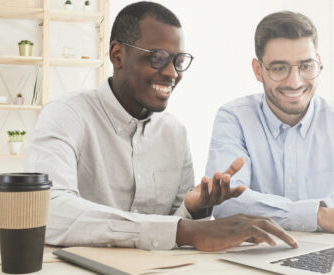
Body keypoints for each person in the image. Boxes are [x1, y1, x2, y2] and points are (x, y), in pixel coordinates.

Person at [24, 1, 297, 252]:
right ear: (117, 55)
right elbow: (46, 210)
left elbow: (171, 229)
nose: (172, 73)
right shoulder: (66, 115)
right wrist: (187, 230)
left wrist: (194, 208)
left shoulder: (174, 133)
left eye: (178, 61)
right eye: (157, 57)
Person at [204, 11, 334, 234]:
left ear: (318, 63)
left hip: (326, 251)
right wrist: (320, 216)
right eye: (279, 68)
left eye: (306, 66)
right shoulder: (234, 119)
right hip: (256, 252)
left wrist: (300, 214)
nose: (295, 82)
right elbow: (226, 203)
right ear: (258, 70)